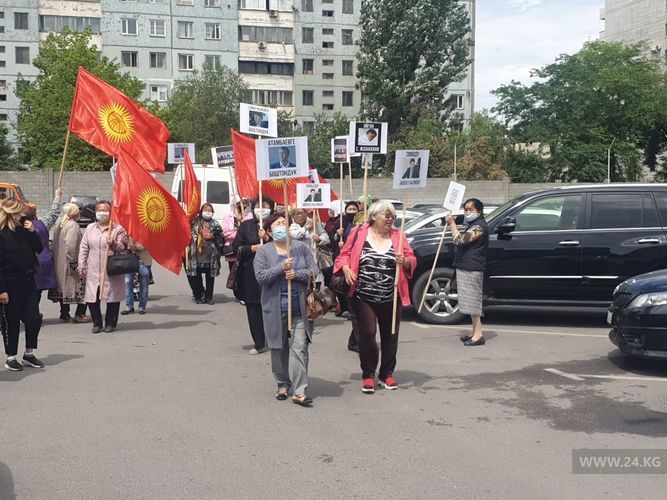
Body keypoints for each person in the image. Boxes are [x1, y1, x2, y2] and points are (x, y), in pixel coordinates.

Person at [334, 200, 417, 394]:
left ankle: (386, 373)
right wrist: (346, 268)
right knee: (368, 333)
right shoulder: (358, 232)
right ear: (373, 216)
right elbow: (343, 255)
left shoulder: (398, 236)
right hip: (363, 295)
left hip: (391, 295)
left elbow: (412, 259)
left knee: (391, 335)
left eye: (393, 216)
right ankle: (368, 374)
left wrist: (405, 261)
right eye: (386, 215)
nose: (390, 219)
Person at [254, 213, 317, 406]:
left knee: (300, 348)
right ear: (270, 230)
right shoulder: (264, 252)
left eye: (284, 222)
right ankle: (282, 383)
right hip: (275, 308)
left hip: (300, 308)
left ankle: (299, 390)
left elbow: (313, 271)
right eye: (278, 224)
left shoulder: (301, 248)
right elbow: (261, 278)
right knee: (277, 347)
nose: (282, 225)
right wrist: (281, 267)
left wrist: (297, 274)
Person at [0, 198, 44, 371]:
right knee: (11, 321)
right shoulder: (2, 233)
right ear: (13, 213)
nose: (24, 214)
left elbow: (38, 248)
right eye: (21, 211)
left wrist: (33, 232)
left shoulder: (24, 230)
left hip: (28, 279)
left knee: (33, 318)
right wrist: (2, 289)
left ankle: (29, 353)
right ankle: (11, 356)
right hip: (10, 282)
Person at [78, 200, 128, 334]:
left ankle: (110, 322)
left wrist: (114, 244)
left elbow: (124, 246)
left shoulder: (117, 229)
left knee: (112, 297)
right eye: (99, 210)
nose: (102, 213)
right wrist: (81, 264)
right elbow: (84, 247)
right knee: (92, 297)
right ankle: (97, 323)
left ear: (110, 212)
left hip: (111, 269)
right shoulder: (90, 228)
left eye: (105, 210)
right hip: (93, 269)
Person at [233, 196, 274, 355]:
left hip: (273, 271)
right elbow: (236, 247)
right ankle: (259, 342)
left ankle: (274, 338)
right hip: (250, 272)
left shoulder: (277, 223)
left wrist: (267, 238)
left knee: (272, 306)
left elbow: (285, 245)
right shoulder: (246, 226)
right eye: (259, 205)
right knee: (253, 307)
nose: (262, 208)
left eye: (265, 205)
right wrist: (252, 248)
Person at [446, 198, 489, 346]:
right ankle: (474, 332)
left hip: (472, 268)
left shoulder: (479, 226)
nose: (468, 212)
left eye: (471, 209)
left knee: (473, 302)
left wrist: (452, 224)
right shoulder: (474, 225)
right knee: (468, 302)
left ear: (479, 211)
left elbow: (460, 240)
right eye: (466, 209)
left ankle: (478, 335)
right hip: (467, 266)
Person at [50, 203, 89, 323]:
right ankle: (80, 313)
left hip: (59, 261)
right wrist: (73, 261)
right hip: (70, 262)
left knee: (63, 288)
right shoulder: (73, 225)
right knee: (84, 287)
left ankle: (64, 314)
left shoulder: (59, 224)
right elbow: (71, 245)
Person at [26, 187, 63, 297]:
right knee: (36, 294)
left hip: (27, 266)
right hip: (42, 263)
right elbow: (54, 213)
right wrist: (57, 197)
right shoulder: (43, 223)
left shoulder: (16, 226)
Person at [186, 203, 223, 305]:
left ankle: (209, 297)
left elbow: (221, 236)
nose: (207, 212)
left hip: (211, 256)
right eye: (205, 210)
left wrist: (213, 235)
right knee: (196, 277)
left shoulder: (215, 224)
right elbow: (186, 229)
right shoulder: (195, 222)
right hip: (196, 255)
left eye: (209, 210)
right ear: (201, 211)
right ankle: (198, 296)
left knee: (210, 278)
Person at [289, 208, 331, 283]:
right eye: (296, 214)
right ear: (293, 216)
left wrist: (319, 239)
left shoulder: (315, 223)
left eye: (302, 213)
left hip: (314, 258)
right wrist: (306, 227)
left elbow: (326, 238)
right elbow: (296, 235)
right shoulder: (291, 227)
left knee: (315, 282)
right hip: (298, 260)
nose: (299, 216)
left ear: (306, 213)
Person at [122, 238, 152, 315]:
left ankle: (142, 307)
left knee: (144, 285)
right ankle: (129, 306)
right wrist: (128, 245)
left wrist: (136, 247)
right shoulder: (128, 230)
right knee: (128, 282)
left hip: (145, 261)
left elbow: (150, 241)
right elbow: (123, 240)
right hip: (129, 260)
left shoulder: (147, 230)